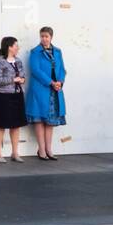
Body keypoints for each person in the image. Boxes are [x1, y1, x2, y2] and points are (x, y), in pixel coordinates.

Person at [26, 26, 67, 159]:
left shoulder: (58, 51)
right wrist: (51, 82)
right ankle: (41, 150)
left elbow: (62, 69)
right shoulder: (35, 52)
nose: (44, 39)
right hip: (40, 90)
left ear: (51, 37)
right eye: (42, 36)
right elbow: (36, 70)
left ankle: (49, 149)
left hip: (55, 90)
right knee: (39, 120)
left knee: (51, 121)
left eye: (46, 36)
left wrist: (60, 82)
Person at [0, 36, 28, 162]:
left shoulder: (18, 61)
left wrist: (22, 79)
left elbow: (23, 76)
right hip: (2, 96)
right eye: (15, 45)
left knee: (16, 125)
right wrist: (13, 80)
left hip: (17, 95)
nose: (17, 48)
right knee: (0, 125)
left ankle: (15, 153)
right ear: (9, 47)